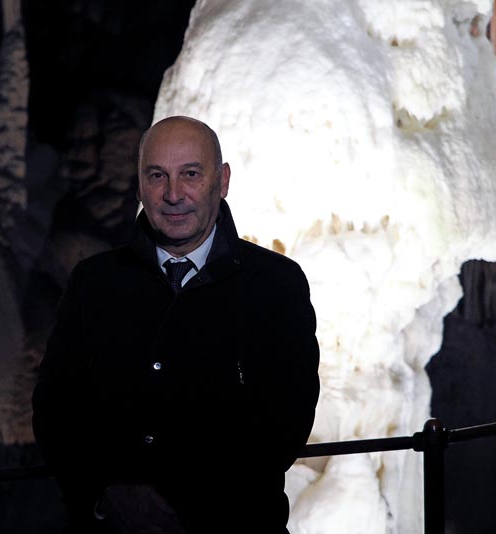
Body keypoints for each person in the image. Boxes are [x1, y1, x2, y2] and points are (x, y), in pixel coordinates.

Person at [32, 116, 320, 533]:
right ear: (139, 186)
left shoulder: (276, 284)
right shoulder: (93, 282)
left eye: (190, 174)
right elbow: (55, 408)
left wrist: (182, 509)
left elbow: (286, 423)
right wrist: (106, 496)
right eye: (157, 176)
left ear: (222, 181)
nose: (172, 194)